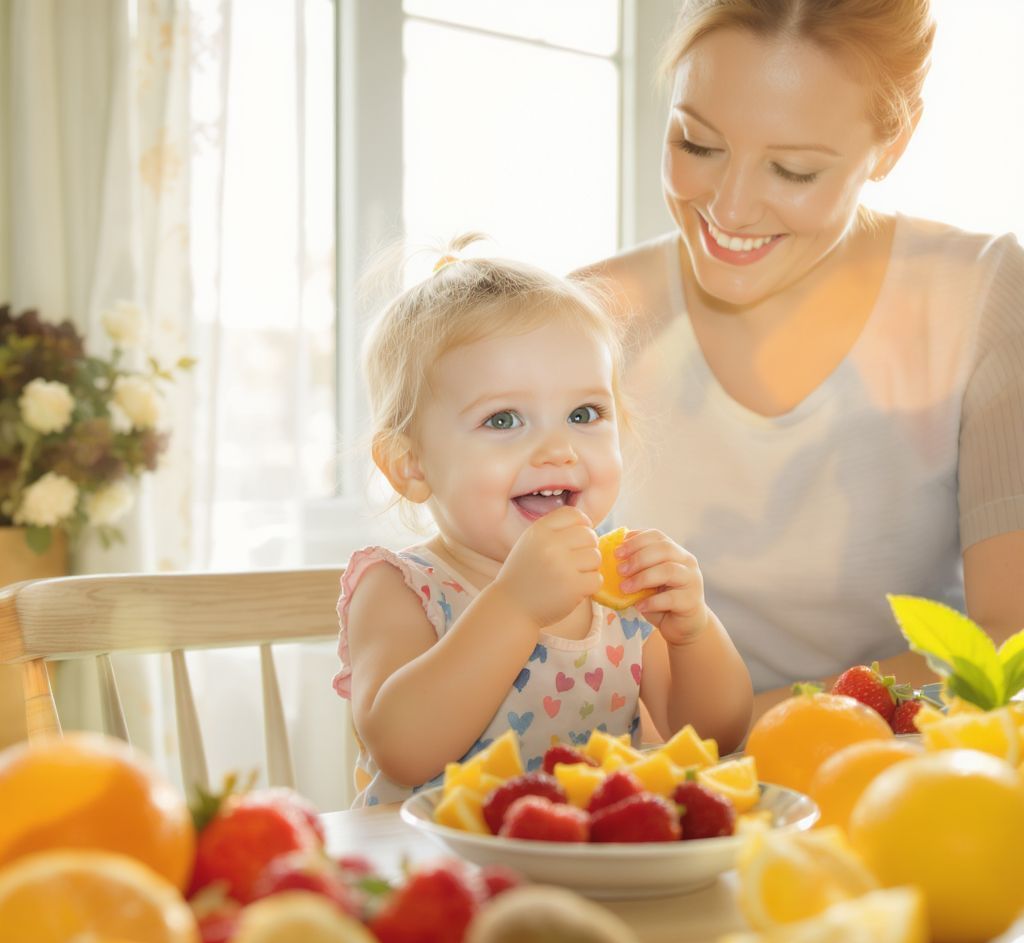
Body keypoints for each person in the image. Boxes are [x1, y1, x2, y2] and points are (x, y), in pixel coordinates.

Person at [575, 0, 1024, 718]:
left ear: (892, 144)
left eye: (791, 170)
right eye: (697, 144)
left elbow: (1002, 636)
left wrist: (745, 733)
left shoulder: (984, 295)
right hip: (641, 794)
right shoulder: (587, 316)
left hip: (889, 783)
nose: (730, 208)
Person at [333, 240, 752, 806]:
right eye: (503, 419)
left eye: (585, 414)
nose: (558, 449)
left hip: (588, 866)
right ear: (410, 465)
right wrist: (515, 606)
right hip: (445, 873)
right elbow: (403, 749)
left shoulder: (618, 587)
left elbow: (713, 739)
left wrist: (693, 632)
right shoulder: (403, 589)